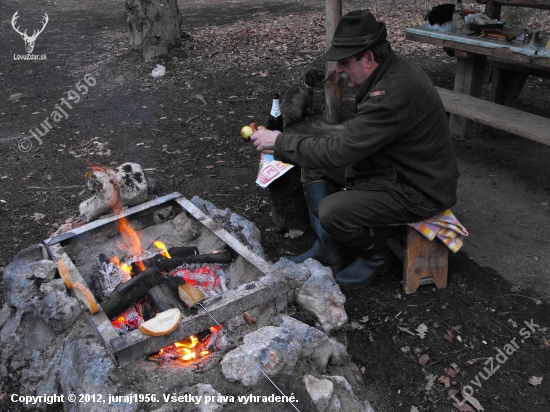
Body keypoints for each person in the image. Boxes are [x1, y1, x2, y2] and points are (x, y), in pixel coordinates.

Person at [251, 10, 459, 289]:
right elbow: (352, 142)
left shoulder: (392, 92)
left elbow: (341, 151)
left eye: (345, 63)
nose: (338, 71)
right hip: (395, 167)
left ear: (369, 58)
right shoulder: (389, 72)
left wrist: (279, 143)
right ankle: (328, 249)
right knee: (312, 162)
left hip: (420, 188)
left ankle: (376, 256)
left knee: (332, 211)